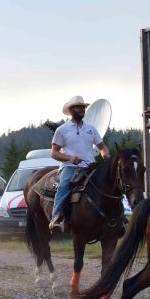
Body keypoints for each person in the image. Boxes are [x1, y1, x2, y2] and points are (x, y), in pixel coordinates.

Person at [49, 95, 110, 234]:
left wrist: (105, 153)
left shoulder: (91, 129)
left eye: (83, 107)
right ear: (71, 110)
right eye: (79, 107)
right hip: (70, 167)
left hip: (90, 166)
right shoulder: (62, 130)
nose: (82, 109)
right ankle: (56, 217)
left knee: (110, 183)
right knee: (64, 186)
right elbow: (54, 153)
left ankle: (119, 218)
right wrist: (70, 158)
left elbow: (102, 147)